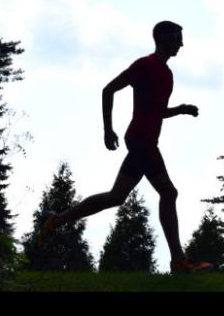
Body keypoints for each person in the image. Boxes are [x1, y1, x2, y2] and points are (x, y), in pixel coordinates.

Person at [37, 21, 212, 274]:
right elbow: (108, 90)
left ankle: (58, 220)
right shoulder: (144, 65)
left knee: (116, 196)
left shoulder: (167, 73)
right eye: (177, 37)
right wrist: (108, 130)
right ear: (162, 37)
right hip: (140, 140)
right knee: (169, 193)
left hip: (146, 141)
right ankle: (178, 260)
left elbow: (156, 110)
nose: (181, 44)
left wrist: (181, 110)